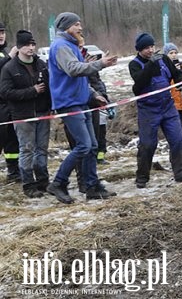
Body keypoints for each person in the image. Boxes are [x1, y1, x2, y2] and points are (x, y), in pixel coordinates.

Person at [46, 12, 118, 204]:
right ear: (66, 26)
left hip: (81, 102)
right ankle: (58, 183)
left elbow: (80, 80)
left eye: (80, 24)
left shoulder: (71, 45)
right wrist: (100, 64)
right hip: (68, 103)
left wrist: (94, 95)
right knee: (84, 145)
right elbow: (74, 69)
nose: (80, 28)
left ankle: (91, 186)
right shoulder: (60, 46)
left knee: (92, 145)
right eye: (76, 24)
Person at [128, 33, 182, 188]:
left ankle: (181, 172)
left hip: (167, 106)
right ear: (139, 50)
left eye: (152, 47)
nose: (150, 50)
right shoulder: (134, 64)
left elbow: (177, 75)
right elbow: (140, 82)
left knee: (177, 139)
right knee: (148, 144)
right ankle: (142, 177)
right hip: (148, 109)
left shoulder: (164, 60)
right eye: (146, 48)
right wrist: (150, 65)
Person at [0, 30, 51, 198]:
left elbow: (50, 87)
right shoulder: (9, 68)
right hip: (23, 115)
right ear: (19, 47)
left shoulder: (41, 64)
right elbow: (6, 93)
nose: (30, 48)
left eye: (32, 44)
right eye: (26, 45)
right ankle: (28, 184)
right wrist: (32, 91)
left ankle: (43, 181)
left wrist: (52, 106)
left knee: (42, 149)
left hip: (43, 112)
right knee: (27, 149)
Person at [61, 37, 113, 193]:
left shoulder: (87, 59)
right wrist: (92, 65)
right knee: (81, 146)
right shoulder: (70, 59)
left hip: (91, 105)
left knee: (92, 145)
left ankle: (91, 182)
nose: (81, 46)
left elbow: (95, 81)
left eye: (83, 44)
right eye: (79, 44)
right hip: (74, 106)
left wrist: (103, 96)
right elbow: (74, 76)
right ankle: (77, 181)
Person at [0, 22, 21, 183]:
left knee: (12, 139)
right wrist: (10, 57)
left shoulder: (3, 52)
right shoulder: (6, 55)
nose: (1, 35)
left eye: (2, 32)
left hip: (9, 103)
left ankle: (13, 172)